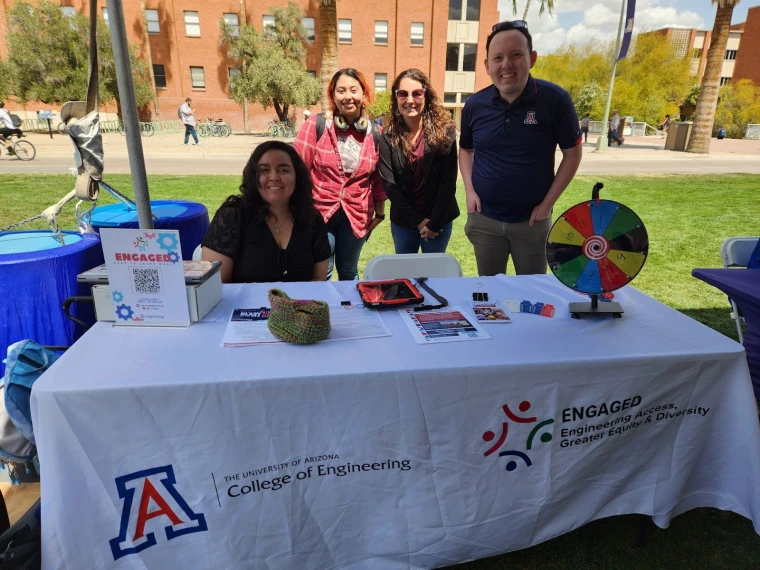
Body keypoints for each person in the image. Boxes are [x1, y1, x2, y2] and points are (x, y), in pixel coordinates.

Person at [459, 20, 582, 276]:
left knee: (533, 293)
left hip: (532, 222)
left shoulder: (555, 99)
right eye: (498, 57)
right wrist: (470, 191)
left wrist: (548, 204)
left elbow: (572, 154)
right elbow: (466, 150)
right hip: (485, 221)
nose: (506, 65)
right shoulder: (474, 104)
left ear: (532, 58)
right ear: (487, 65)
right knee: (490, 294)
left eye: (516, 55)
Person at [294, 68, 386, 280]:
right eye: (341, 91)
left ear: (364, 94)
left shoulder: (376, 134)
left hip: (357, 214)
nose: (348, 97)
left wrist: (379, 215)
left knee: (348, 271)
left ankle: (351, 312)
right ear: (332, 95)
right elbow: (297, 171)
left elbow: (377, 181)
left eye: (354, 90)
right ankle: (322, 313)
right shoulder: (315, 125)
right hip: (319, 213)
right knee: (321, 272)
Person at [201, 140, 330, 283]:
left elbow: (318, 280)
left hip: (299, 304)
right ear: (253, 177)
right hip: (243, 305)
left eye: (284, 170)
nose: (274, 177)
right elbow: (217, 286)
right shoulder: (232, 216)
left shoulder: (312, 219)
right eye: (264, 170)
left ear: (297, 177)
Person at [379, 68, 459, 254]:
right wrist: (418, 221)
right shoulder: (388, 137)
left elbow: (448, 181)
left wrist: (434, 223)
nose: (410, 100)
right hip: (404, 223)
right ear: (396, 97)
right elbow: (390, 185)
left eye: (417, 93)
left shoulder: (445, 132)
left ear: (426, 95)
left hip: (439, 220)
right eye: (403, 94)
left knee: (433, 276)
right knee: (406, 276)